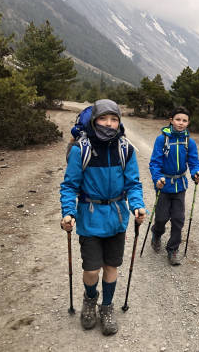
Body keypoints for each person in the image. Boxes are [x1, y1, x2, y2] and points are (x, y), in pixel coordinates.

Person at [60, 99, 146, 335]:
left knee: (111, 266)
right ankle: (90, 299)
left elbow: (133, 183)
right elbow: (69, 186)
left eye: (114, 119)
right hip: (89, 219)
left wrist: (137, 205)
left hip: (117, 219)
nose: (109, 124)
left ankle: (106, 307)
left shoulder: (125, 149)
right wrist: (68, 211)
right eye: (103, 119)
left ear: (119, 122)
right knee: (91, 270)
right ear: (94, 120)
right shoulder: (81, 149)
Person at [149, 106, 199, 265]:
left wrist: (196, 173)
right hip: (164, 185)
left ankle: (172, 249)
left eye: (184, 120)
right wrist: (157, 178)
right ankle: (157, 234)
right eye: (178, 119)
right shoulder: (162, 139)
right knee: (161, 217)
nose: (181, 123)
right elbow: (155, 162)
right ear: (171, 120)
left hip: (180, 185)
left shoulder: (189, 142)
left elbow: (193, 161)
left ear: (188, 123)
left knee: (178, 218)